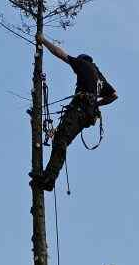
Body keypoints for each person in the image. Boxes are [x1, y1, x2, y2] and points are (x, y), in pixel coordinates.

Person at [31, 33, 118, 192]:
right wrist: (96, 103)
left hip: (79, 109)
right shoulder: (100, 78)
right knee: (61, 139)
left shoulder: (83, 64)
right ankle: (48, 177)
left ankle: (48, 178)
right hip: (87, 114)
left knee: (61, 139)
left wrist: (43, 40)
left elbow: (60, 54)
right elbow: (113, 96)